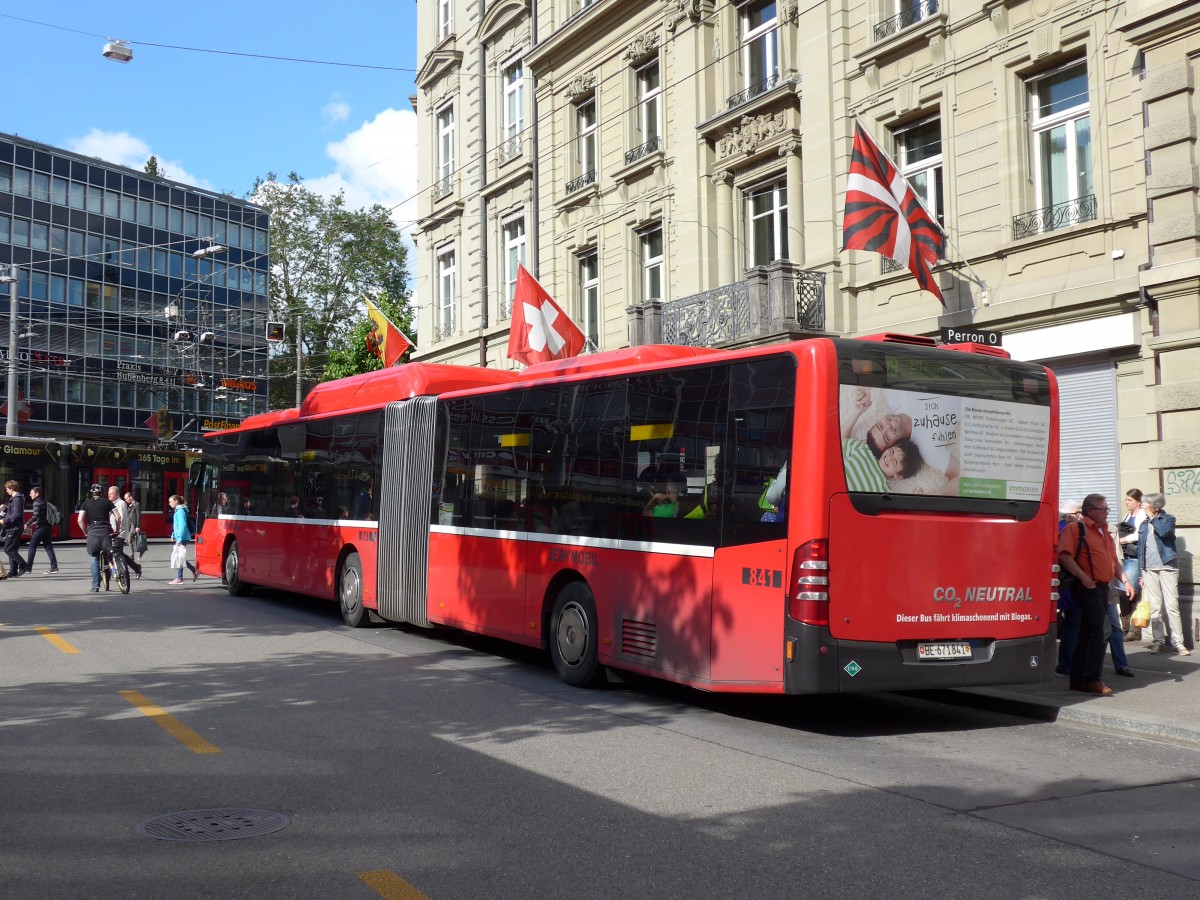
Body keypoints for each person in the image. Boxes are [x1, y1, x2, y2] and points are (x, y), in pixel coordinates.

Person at [1057, 493, 1135, 695]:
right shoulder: (1076, 528)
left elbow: (1113, 561)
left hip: (1103, 587)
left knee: (1089, 633)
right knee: (1100, 632)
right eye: (1103, 509)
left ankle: (1079, 679)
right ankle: (1091, 679)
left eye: (1107, 509)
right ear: (1090, 510)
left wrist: (1125, 581)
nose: (1107, 512)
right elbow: (1064, 555)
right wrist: (1083, 577)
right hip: (1086, 587)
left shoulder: (1104, 532)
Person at [1139, 492, 1188, 656]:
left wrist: (1152, 518)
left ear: (1155, 506)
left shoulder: (1168, 519)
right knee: (1155, 607)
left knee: (1171, 606)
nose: (1142, 506)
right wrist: (1141, 572)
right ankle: (1158, 641)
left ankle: (1178, 643)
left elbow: (1165, 533)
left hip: (1167, 566)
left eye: (1145, 503)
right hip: (1149, 568)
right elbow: (1141, 548)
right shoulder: (1143, 523)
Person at [1054, 501, 1083, 678]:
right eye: (1077, 512)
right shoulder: (1070, 530)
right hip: (1071, 584)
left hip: (1063, 584)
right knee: (1073, 623)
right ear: (1066, 515)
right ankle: (1066, 664)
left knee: (1068, 624)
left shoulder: (1058, 528)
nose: (1080, 515)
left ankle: (1066, 664)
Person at [1117, 488, 1147, 639]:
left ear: (1138, 501)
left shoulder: (1142, 514)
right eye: (1126, 499)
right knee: (1124, 593)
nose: (1127, 502)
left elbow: (1138, 535)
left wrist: (1122, 540)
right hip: (1125, 556)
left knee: (1128, 592)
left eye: (1130, 500)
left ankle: (1133, 631)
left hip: (1134, 558)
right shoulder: (1128, 514)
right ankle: (1126, 628)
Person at [77, 484, 116, 592]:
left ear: (91, 493)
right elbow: (118, 516)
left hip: (92, 532)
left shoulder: (86, 503)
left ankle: (95, 586)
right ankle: (115, 572)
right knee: (109, 554)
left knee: (94, 558)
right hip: (105, 531)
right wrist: (116, 529)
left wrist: (85, 533)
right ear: (102, 493)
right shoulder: (107, 502)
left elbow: (80, 520)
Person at [109, 486, 142, 581]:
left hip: (119, 533)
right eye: (108, 494)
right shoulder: (112, 503)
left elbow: (122, 518)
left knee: (116, 552)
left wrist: (118, 531)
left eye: (111, 494)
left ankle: (120, 571)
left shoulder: (121, 503)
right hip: (112, 532)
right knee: (118, 553)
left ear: (117, 494)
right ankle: (134, 567)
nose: (109, 495)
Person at [24, 485, 59, 574]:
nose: (30, 495)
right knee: (48, 547)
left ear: (37, 493)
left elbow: (35, 516)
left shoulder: (36, 503)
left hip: (41, 528)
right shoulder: (45, 502)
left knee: (32, 546)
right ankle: (54, 566)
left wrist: (27, 524)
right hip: (48, 527)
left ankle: (28, 567)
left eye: (31, 493)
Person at [2, 480, 30, 578]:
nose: (6, 491)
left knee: (8, 549)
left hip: (14, 527)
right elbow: (12, 512)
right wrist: (5, 509)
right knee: (12, 549)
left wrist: (5, 521)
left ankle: (23, 565)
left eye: (7, 489)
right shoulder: (15, 499)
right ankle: (13, 571)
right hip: (14, 527)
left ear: (12, 488)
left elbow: (17, 514)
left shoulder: (17, 499)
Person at [168, 494, 198, 584]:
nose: (169, 504)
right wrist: (173, 535)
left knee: (179, 556)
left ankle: (180, 578)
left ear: (176, 501)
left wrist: (179, 538)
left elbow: (182, 525)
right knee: (180, 557)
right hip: (182, 536)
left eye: (171, 502)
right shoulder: (178, 510)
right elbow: (177, 526)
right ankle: (193, 571)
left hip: (183, 537)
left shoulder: (180, 511)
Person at [124, 491, 144, 570]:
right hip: (129, 525)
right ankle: (136, 552)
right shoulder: (130, 505)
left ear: (130, 497)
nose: (126, 500)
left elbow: (138, 515)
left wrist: (138, 526)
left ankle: (132, 555)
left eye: (126, 499)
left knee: (130, 540)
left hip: (134, 525)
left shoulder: (137, 504)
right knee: (131, 540)